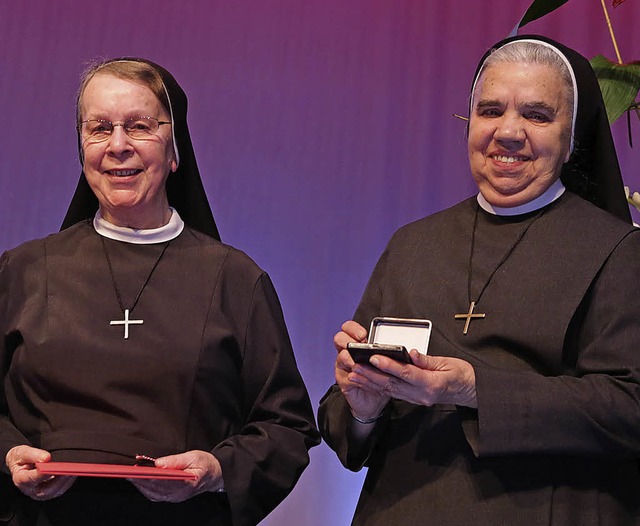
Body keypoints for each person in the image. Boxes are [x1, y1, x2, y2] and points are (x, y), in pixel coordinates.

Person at [318, 34, 640, 525]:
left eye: (536, 115)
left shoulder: (618, 250)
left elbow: (627, 407)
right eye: (490, 111)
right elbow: (347, 434)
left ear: (571, 137)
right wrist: (363, 406)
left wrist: (474, 389)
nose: (508, 132)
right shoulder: (412, 244)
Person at [0, 57, 320, 526]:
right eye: (99, 128)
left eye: (139, 126)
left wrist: (217, 470)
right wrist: (7, 454)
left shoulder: (233, 279)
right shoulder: (22, 271)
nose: (118, 145)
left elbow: (286, 428)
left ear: (175, 150)